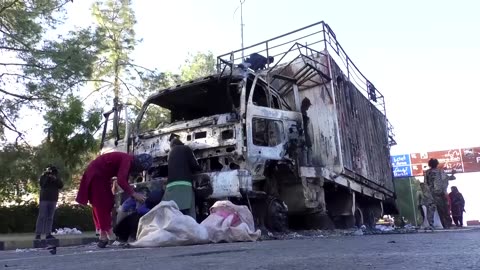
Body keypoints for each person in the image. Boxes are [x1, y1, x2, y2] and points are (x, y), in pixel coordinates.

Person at [75, 152, 153, 248]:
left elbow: (122, 179)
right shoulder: (127, 160)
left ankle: (108, 233)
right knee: (102, 204)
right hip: (96, 175)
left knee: (107, 202)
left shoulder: (127, 160)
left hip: (100, 175)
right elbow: (121, 180)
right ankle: (104, 236)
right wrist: (134, 194)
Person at [163, 138, 202, 219]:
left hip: (170, 187)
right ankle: (192, 230)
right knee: (190, 215)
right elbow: (194, 165)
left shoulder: (170, 153)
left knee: (174, 213)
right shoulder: (186, 148)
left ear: (173, 146)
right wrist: (200, 168)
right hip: (184, 185)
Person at [424, 158, 456, 229]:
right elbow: (447, 178)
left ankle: (431, 224)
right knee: (443, 210)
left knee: (430, 210)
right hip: (440, 194)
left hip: (430, 194)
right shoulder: (440, 171)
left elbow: (425, 183)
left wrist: (427, 193)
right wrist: (453, 174)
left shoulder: (427, 173)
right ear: (437, 164)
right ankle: (447, 225)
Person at [35, 165, 64, 240]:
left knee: (50, 217)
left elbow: (61, 185)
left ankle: (48, 233)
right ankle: (38, 233)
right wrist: (48, 177)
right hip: (44, 198)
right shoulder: (43, 177)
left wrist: (55, 179)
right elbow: (42, 184)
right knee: (42, 216)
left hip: (53, 199)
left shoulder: (56, 178)